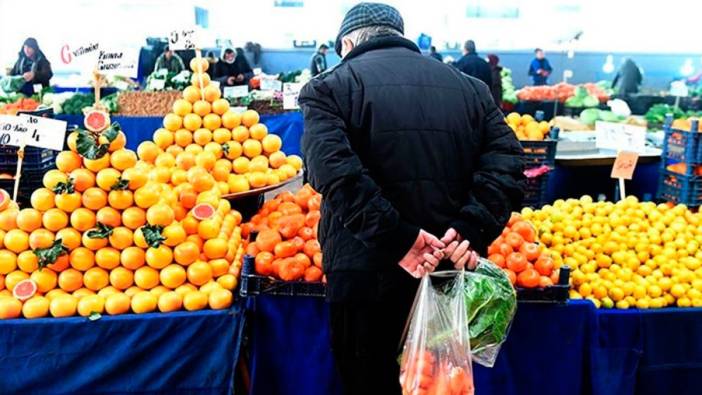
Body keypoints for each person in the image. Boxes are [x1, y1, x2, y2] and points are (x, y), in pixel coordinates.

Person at [298, 3, 524, 394]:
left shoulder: (328, 87)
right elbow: (507, 163)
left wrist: (398, 239)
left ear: (348, 42)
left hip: (363, 272)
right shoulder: (471, 89)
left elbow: (333, 172)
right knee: (438, 381)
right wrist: (471, 228)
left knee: (368, 378)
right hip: (448, 270)